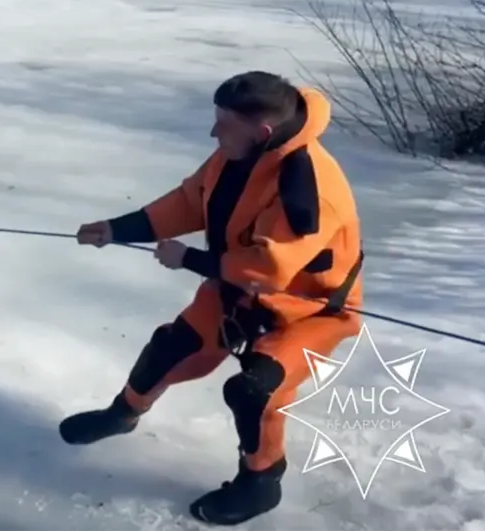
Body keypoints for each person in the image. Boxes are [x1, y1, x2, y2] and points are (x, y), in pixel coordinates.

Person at [64, 71, 364, 526]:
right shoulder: (238, 153)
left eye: (223, 124)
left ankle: (260, 482)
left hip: (307, 312)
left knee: (252, 391)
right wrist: (117, 229)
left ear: (262, 132)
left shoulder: (308, 189)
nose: (213, 133)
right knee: (170, 347)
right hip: (235, 293)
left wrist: (188, 259)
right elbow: (190, 202)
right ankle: (122, 414)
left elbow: (271, 269)